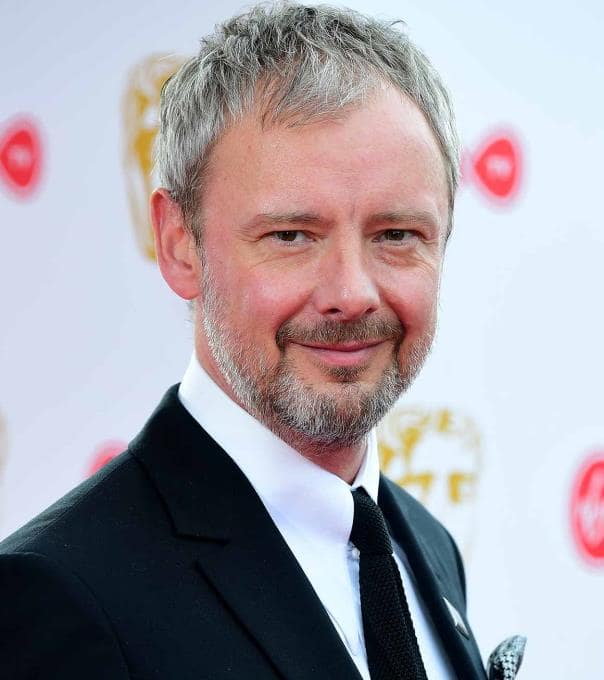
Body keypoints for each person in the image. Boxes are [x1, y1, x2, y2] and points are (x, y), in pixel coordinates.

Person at [0, 3, 487, 678]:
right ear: (180, 244)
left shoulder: (427, 546)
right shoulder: (62, 595)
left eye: (396, 234)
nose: (351, 292)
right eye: (291, 235)